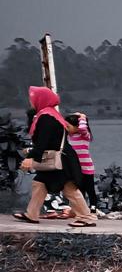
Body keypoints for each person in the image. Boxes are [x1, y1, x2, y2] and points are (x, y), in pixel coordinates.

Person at [12, 86, 96, 226]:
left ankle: (87, 218)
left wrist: (31, 157)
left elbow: (43, 141)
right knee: (39, 183)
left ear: (41, 99)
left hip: (61, 160)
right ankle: (32, 214)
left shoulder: (47, 117)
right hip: (59, 157)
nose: (31, 100)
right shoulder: (49, 115)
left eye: (33, 97)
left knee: (69, 188)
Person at [65, 111, 97, 213]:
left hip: (87, 168)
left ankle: (93, 208)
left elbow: (83, 128)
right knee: (79, 190)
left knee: (90, 190)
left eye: (68, 126)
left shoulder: (84, 135)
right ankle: (80, 209)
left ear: (76, 126)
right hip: (76, 169)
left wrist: (82, 117)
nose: (66, 128)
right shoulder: (69, 137)